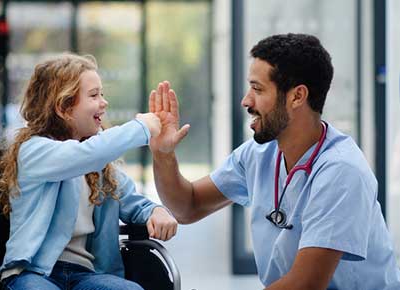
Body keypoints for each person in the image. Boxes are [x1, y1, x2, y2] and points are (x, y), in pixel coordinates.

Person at [149, 33, 400, 290]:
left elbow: (306, 284)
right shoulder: (259, 154)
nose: (246, 101)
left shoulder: (341, 171)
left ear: (297, 96)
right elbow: (187, 206)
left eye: (258, 89)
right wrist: (163, 154)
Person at [0, 53, 178, 290]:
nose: (104, 102)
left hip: (86, 275)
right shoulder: (34, 151)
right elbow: (85, 155)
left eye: (102, 93)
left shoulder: (100, 166)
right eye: (93, 95)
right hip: (34, 273)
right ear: (63, 107)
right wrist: (141, 127)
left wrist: (156, 211)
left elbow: (133, 201)